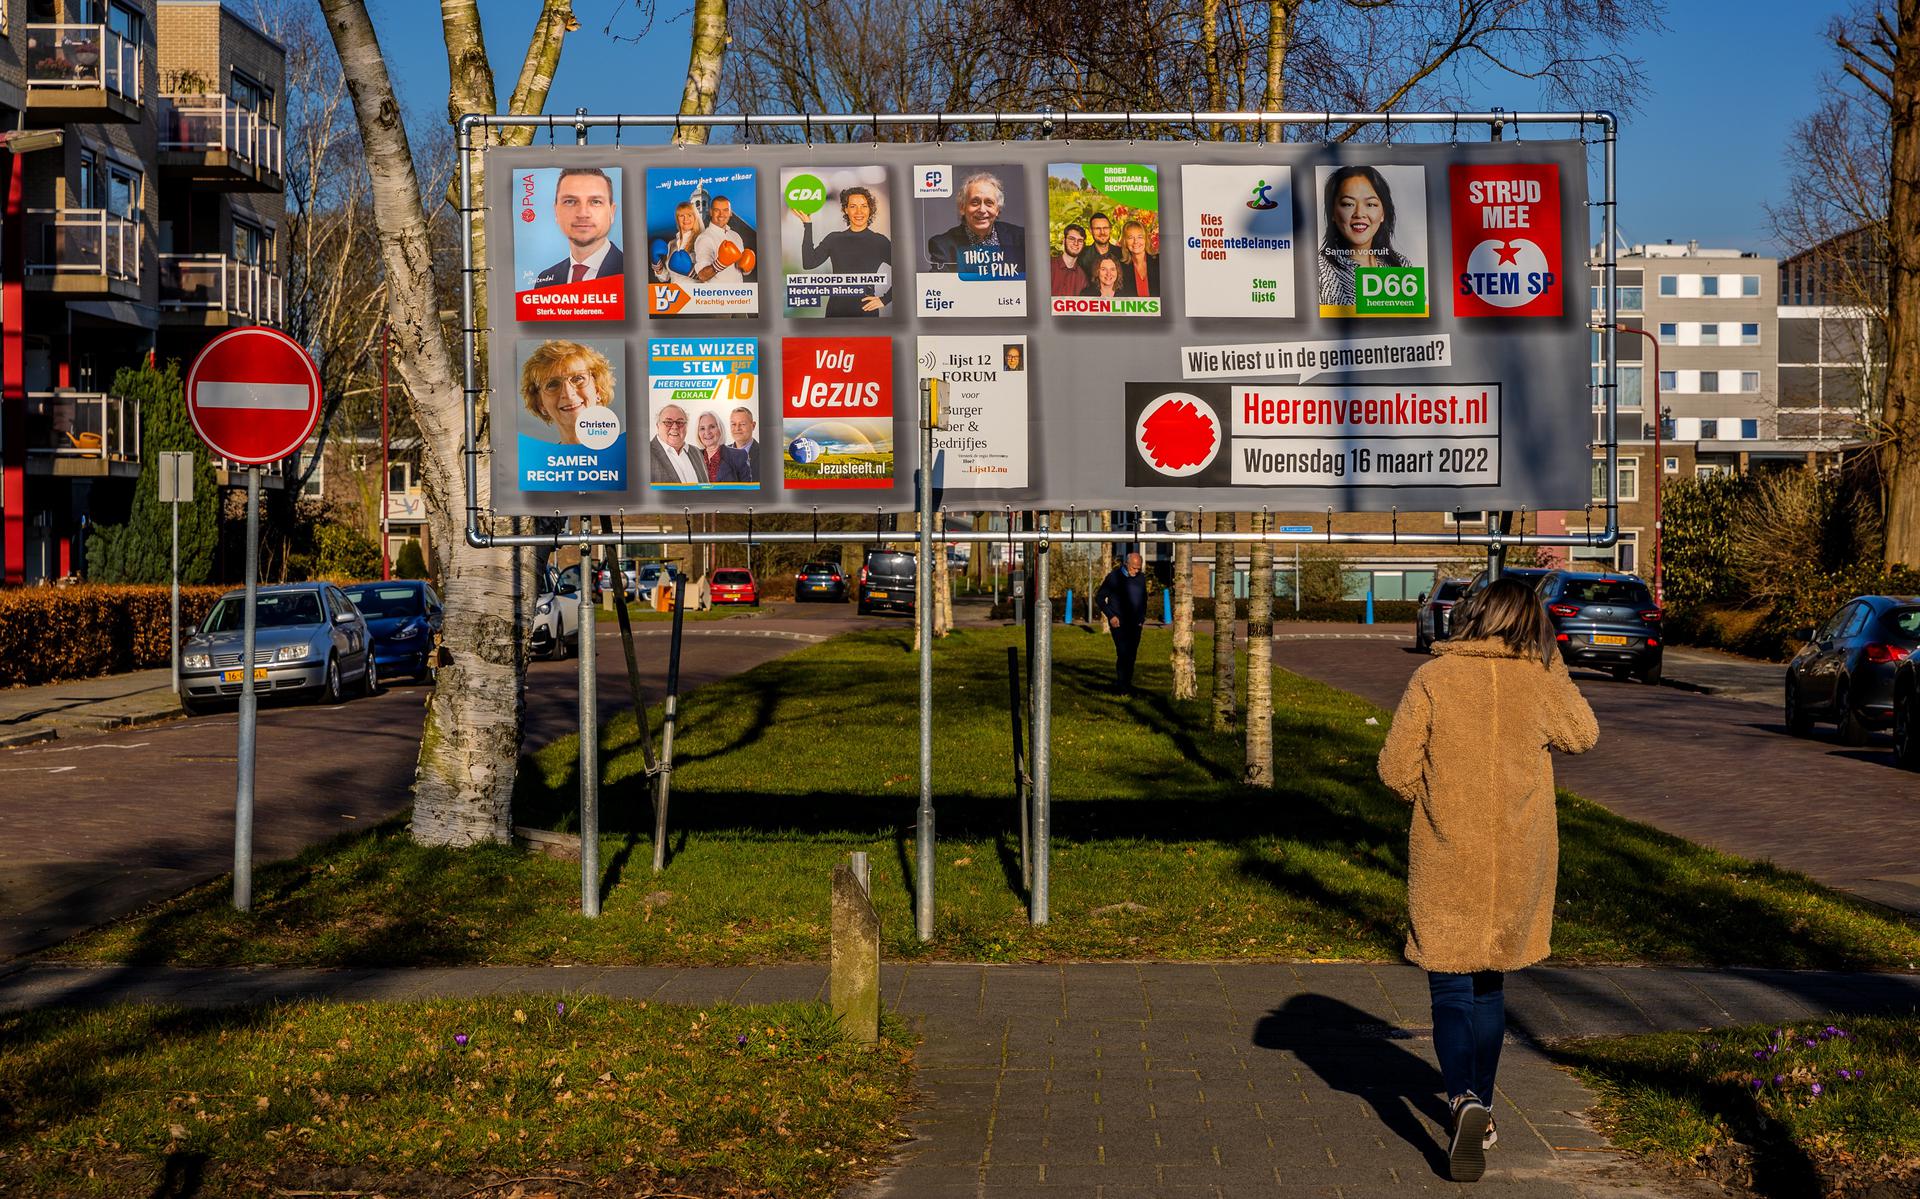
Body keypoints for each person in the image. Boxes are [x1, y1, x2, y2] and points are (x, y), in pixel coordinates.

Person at [1376, 578, 1599, 1183]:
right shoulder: (1539, 681)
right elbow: (1583, 734)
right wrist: (1553, 668)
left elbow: (1394, 770)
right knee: (1490, 987)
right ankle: (1484, 1107)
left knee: (1448, 988)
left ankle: (1463, 1102)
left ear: (1473, 617)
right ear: (1529, 624)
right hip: (1521, 857)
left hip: (1448, 853)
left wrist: (1441, 794)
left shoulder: (1435, 679)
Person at [1317, 165, 1411, 311]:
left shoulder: (1401, 265)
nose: (1359, 213)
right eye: (1348, 204)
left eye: (1370, 204)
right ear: (1333, 213)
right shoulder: (1318, 270)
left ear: (1383, 214)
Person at [795, 185, 891, 315]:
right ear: (845, 210)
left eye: (864, 206)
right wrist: (808, 225)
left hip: (866, 314)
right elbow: (809, 263)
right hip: (835, 312)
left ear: (870, 209)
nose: (859, 212)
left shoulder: (879, 242)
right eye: (853, 206)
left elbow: (904, 273)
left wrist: (885, 299)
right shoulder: (834, 239)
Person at [530, 168, 623, 288]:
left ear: (612, 212)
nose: (583, 213)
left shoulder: (637, 272)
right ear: (556, 212)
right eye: (570, 201)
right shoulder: (546, 280)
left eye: (595, 202)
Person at [926, 171, 1025, 275]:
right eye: (975, 202)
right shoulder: (943, 245)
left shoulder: (1021, 238)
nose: (982, 209)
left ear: (998, 210)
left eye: (989, 203)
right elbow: (940, 286)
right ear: (962, 208)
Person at [520, 340, 615, 445]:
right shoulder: (539, 461)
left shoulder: (625, 455)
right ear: (540, 404)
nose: (568, 394)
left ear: (597, 389)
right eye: (553, 384)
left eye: (578, 378)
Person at [1094, 552, 1149, 695]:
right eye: (1134, 568)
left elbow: (1144, 600)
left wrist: (1141, 619)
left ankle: (1127, 684)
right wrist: (1111, 616)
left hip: (1135, 624)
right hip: (1118, 623)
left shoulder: (1141, 578)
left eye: (1139, 568)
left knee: (1132, 655)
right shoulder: (1114, 577)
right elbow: (1100, 598)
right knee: (1123, 653)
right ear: (1127, 564)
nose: (1136, 571)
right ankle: (1122, 687)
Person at [649, 403, 708, 486]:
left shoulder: (696, 452)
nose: (675, 427)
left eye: (680, 422)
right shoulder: (644, 454)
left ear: (686, 426)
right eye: (668, 422)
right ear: (658, 426)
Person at [694, 195, 748, 284]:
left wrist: (747, 268)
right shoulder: (705, 238)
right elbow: (702, 276)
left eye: (726, 210)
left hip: (739, 294)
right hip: (717, 296)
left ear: (730, 213)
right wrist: (720, 264)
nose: (721, 214)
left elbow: (741, 271)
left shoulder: (736, 236)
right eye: (717, 210)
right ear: (711, 212)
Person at [652, 200, 702, 286]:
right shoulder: (672, 244)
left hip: (695, 295)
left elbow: (711, 277)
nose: (686, 219)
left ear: (695, 217)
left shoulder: (701, 241)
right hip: (675, 296)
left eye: (689, 215)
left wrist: (691, 272)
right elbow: (665, 277)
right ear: (677, 219)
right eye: (682, 216)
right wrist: (656, 262)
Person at [695, 410, 751, 483]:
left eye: (712, 427)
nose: (707, 432)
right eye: (702, 428)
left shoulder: (739, 456)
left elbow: (747, 490)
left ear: (720, 429)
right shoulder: (693, 457)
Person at [1076, 211, 1125, 280]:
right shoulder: (1082, 256)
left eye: (1105, 228)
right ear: (1091, 230)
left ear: (1110, 229)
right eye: (1097, 228)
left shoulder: (1121, 254)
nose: (1102, 232)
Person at [1118, 219, 1159, 298]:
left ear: (1146, 239)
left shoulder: (1159, 262)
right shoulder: (1121, 268)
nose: (1136, 241)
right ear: (1125, 242)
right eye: (1130, 237)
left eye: (1140, 237)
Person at [1050, 223, 1087, 297]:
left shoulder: (1082, 277)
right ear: (1064, 241)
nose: (1076, 243)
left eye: (1080, 241)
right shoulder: (1049, 266)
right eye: (1071, 239)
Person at [728, 407, 759, 481]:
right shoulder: (721, 454)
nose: (737, 428)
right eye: (733, 424)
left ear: (753, 426)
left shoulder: (767, 454)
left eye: (742, 424)